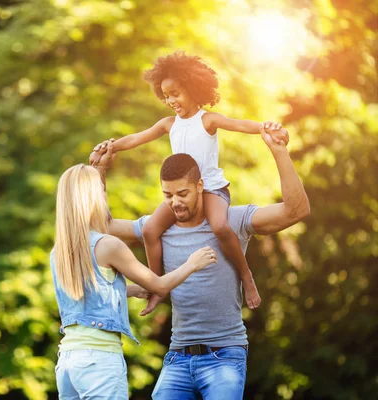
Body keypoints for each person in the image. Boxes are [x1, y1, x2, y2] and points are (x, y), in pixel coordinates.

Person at [89, 125, 310, 399]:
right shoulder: (158, 228)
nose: (175, 203)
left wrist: (279, 151)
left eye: (183, 194)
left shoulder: (231, 220)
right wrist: (99, 172)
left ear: (200, 186)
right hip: (177, 357)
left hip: (225, 357)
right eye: (168, 196)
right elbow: (104, 225)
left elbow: (296, 210)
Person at [93, 50, 290, 310]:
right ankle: (157, 286)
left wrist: (268, 128)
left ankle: (246, 276)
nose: (171, 100)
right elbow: (135, 139)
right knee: (151, 230)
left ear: (193, 88)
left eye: (176, 93)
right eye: (166, 96)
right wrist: (110, 147)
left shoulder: (208, 119)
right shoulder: (168, 124)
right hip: (183, 191)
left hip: (211, 189)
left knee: (220, 227)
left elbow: (241, 125)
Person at [51, 163, 218, 400]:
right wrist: (192, 263)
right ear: (93, 196)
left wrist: (130, 290)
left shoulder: (59, 251)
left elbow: (87, 293)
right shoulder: (107, 245)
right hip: (99, 361)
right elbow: (159, 285)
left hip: (68, 360)